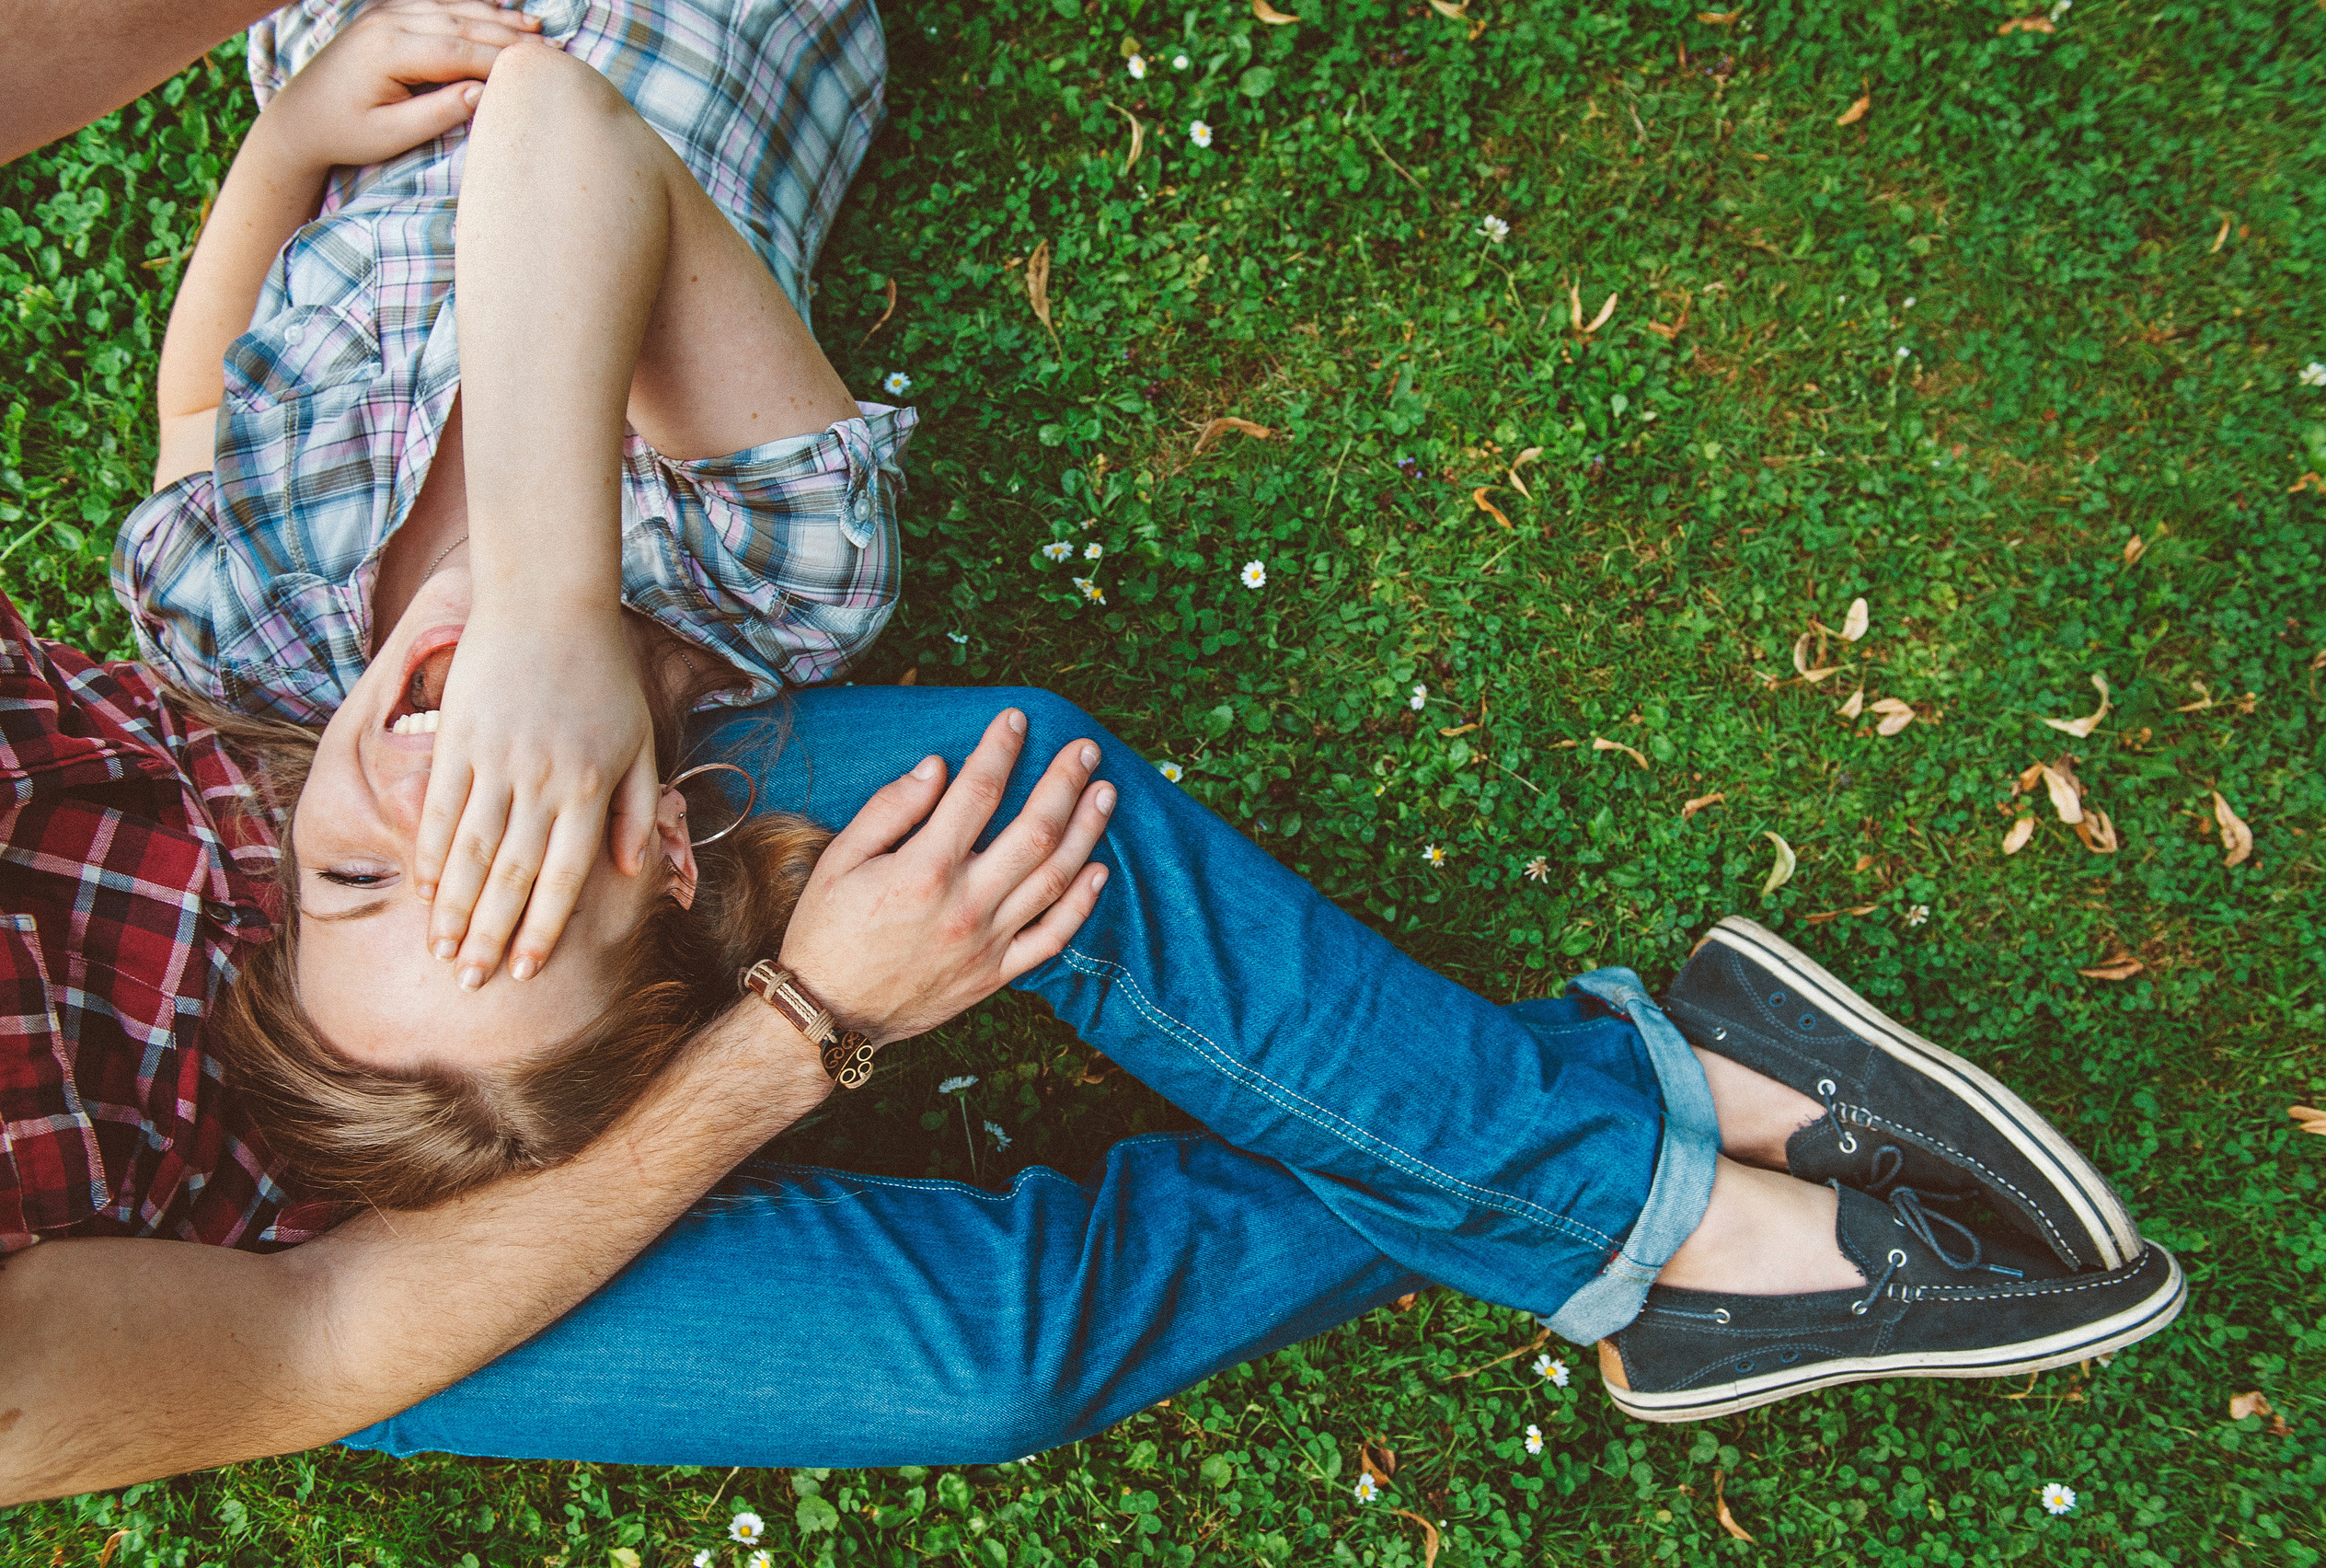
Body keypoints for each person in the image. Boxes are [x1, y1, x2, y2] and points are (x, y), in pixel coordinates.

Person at [0, 0, 2181, 1507]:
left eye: (375, 865)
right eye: (512, 848)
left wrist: (545, 599)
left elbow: (261, 360)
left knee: (1013, 792)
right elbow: (288, 1359)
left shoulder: (261, 652)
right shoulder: (726, 638)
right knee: (990, 1345)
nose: (434, 801)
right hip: (295, 1244)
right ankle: (1620, 1123)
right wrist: (799, 1024)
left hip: (360, 834)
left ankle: (1624, 1183)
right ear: (680, 853)